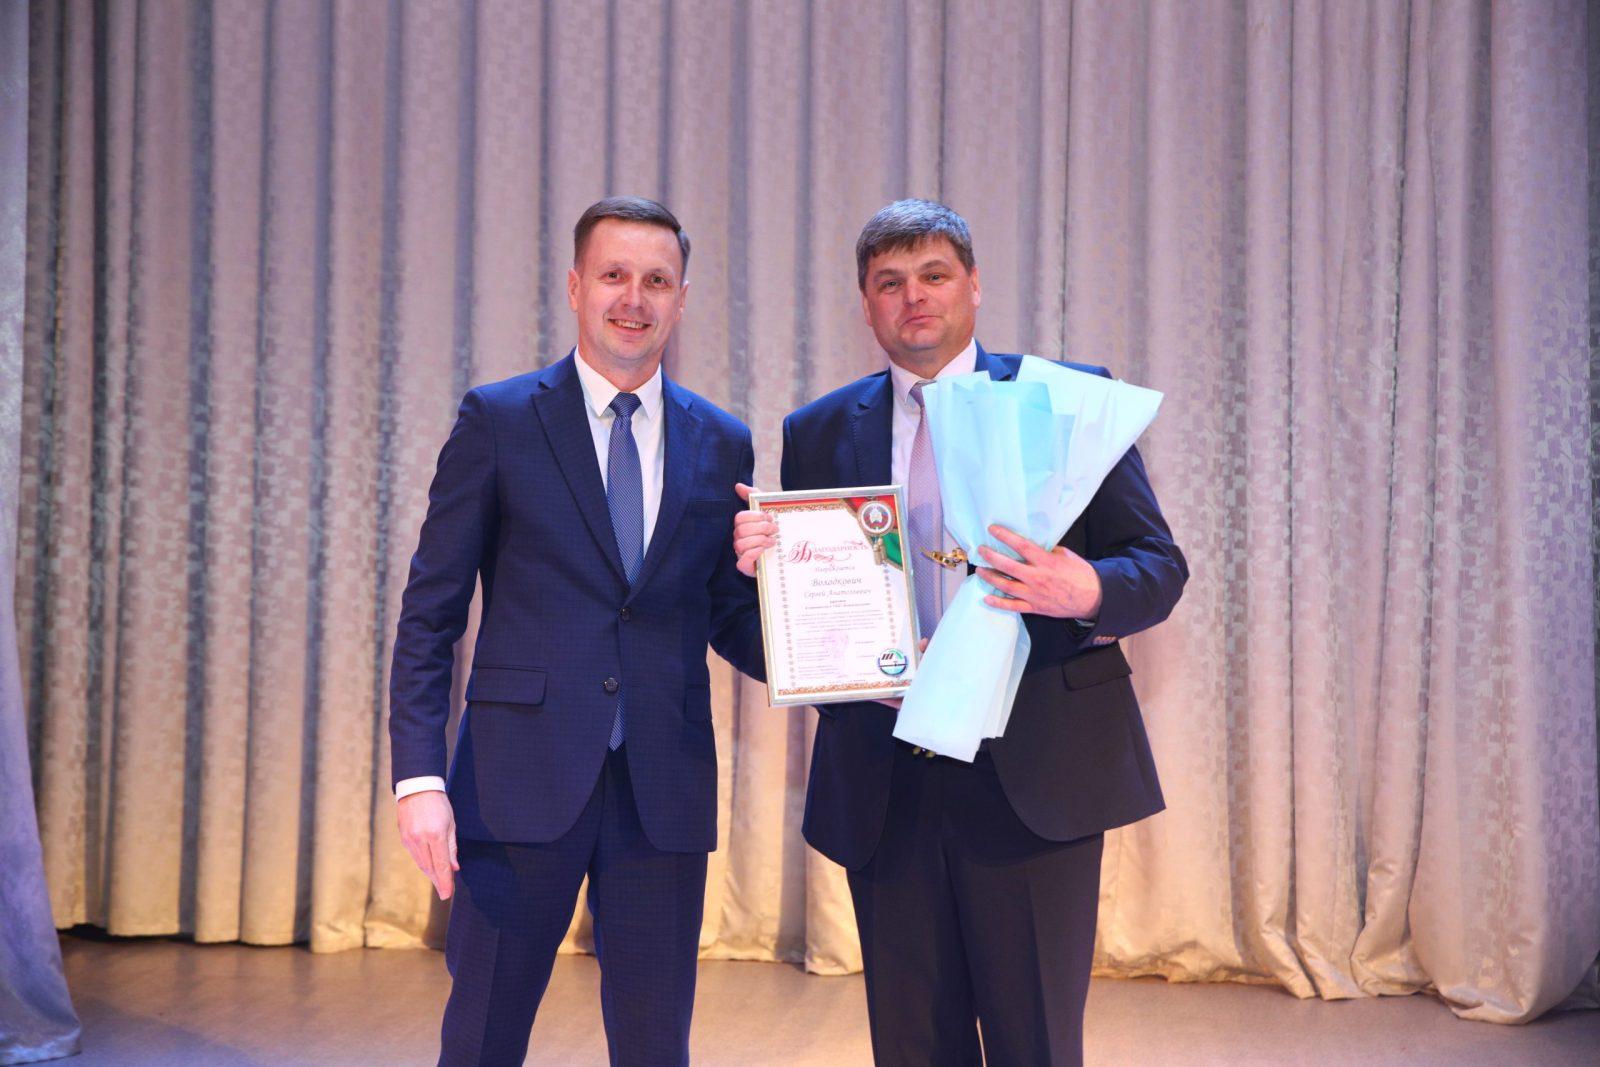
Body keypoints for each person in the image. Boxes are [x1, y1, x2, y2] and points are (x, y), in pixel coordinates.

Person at [733, 199, 1187, 1066]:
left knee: (1035, 1044)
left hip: (1036, 775)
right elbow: (810, 610)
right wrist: (769, 574)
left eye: (934, 275)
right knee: (912, 1047)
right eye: (890, 282)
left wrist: (1086, 586)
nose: (914, 297)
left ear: (974, 285)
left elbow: (1157, 566)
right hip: (888, 782)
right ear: (865, 304)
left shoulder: (1063, 400)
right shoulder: (817, 431)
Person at [389, 196, 764, 1067]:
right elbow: (430, 612)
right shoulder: (499, 420)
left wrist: (790, 599)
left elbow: (728, 619)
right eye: (613, 275)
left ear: (681, 298)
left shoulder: (723, 441)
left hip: (662, 793)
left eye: (657, 280)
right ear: (573, 286)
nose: (634, 297)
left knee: (655, 1047)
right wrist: (418, 778)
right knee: (482, 1039)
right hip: (515, 784)